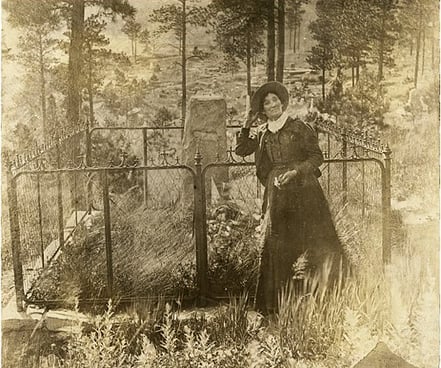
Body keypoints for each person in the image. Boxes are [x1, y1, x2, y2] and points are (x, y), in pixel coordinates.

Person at [235, 81, 345, 315]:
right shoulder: (263, 132)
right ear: (262, 110)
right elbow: (241, 149)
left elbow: (316, 157)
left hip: (305, 192)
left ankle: (325, 297)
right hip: (278, 195)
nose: (272, 104)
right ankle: (277, 304)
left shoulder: (299, 127)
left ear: (282, 102)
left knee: (315, 241)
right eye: (266, 102)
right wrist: (247, 123)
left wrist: (295, 171)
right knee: (276, 245)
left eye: (275, 99)